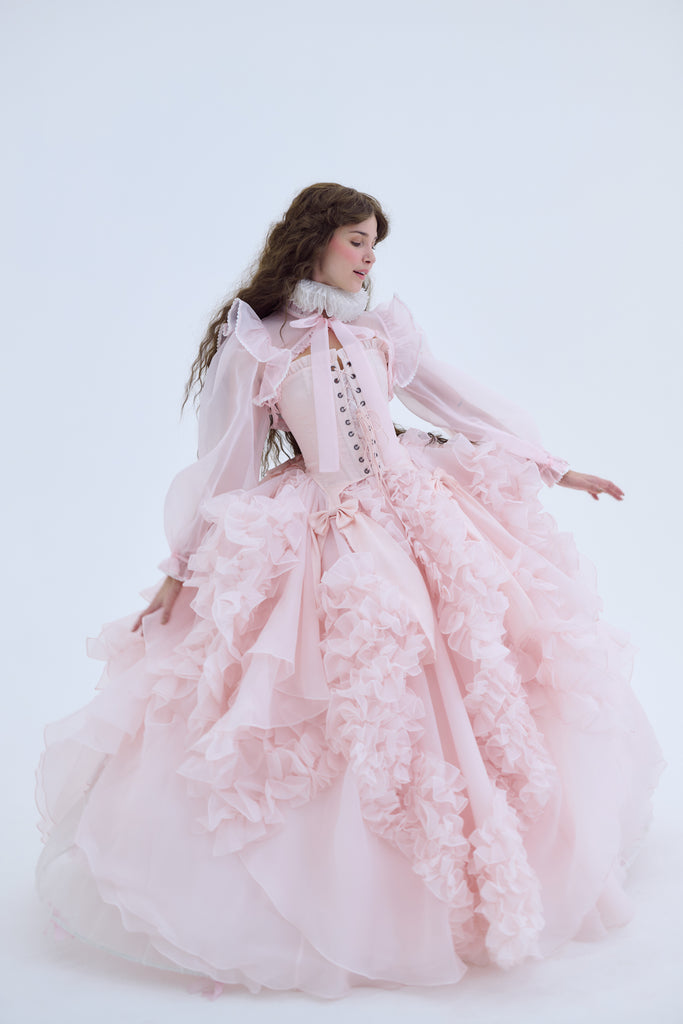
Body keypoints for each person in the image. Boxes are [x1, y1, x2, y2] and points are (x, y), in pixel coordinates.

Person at [35, 183, 663, 999]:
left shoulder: (378, 329)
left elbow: (454, 400)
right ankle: (332, 895)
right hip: (323, 524)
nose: (368, 258)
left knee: (461, 656)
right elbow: (224, 464)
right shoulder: (258, 344)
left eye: (374, 245)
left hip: (414, 510)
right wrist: (180, 568)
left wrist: (552, 466)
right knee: (331, 688)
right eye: (356, 241)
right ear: (315, 240)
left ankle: (480, 865)